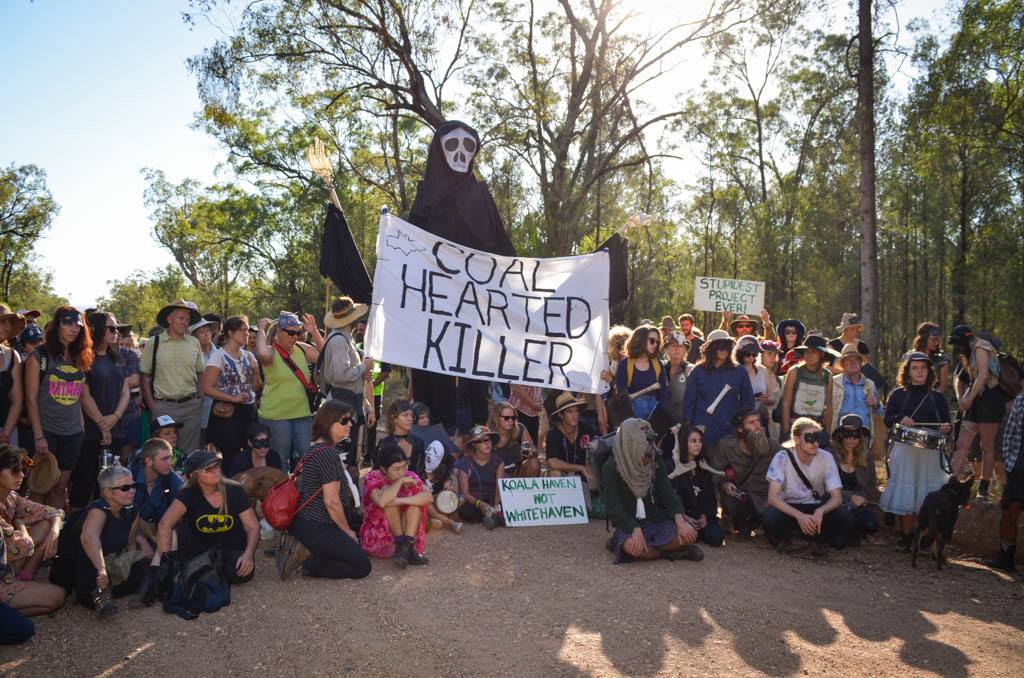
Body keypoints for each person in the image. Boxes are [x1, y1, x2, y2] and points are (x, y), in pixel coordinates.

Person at [25, 307, 107, 510]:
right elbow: (30, 398)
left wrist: (91, 426)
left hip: (72, 433)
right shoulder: (40, 356)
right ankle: (33, 536)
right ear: (57, 325)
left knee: (60, 488)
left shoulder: (81, 356)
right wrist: (38, 436)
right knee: (39, 487)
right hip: (46, 432)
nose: (74, 328)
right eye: (68, 323)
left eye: (78, 325)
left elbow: (83, 395)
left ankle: (57, 538)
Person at [277, 400, 370, 580]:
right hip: (317, 525)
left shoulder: (317, 448)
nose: (350, 424)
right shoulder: (327, 454)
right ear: (329, 422)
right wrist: (347, 531)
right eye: (344, 421)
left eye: (350, 420)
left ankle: (316, 551)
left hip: (306, 521)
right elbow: (332, 501)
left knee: (362, 528)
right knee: (362, 566)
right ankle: (310, 562)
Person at [602, 418, 702, 563]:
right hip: (629, 523)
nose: (647, 456)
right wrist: (634, 529)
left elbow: (668, 493)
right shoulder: (611, 467)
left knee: (690, 535)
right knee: (632, 547)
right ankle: (671, 552)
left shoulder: (654, 459)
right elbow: (613, 507)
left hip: (655, 519)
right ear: (630, 445)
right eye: (642, 450)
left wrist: (680, 521)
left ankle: (656, 551)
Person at [878, 352, 951, 550]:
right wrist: (901, 417)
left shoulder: (938, 397)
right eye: (915, 368)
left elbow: (946, 424)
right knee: (905, 490)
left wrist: (945, 427)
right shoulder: (898, 394)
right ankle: (906, 536)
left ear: (929, 371)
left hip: (930, 452)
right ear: (907, 371)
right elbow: (887, 419)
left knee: (928, 494)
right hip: (905, 449)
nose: (919, 372)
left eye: (923, 368)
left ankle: (925, 538)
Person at [156, 450, 259, 585]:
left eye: (216, 466)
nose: (215, 471)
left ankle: (202, 575)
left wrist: (248, 554)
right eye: (208, 469)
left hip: (230, 549)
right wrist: (167, 561)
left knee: (241, 572)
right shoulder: (187, 493)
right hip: (199, 552)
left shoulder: (235, 490)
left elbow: (253, 527)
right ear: (194, 475)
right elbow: (165, 524)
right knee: (195, 573)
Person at [66, 465, 151, 615]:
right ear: (107, 491)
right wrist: (101, 569)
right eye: (125, 488)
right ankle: (98, 594)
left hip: (110, 564)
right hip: (87, 566)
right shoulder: (98, 511)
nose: (132, 490)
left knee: (149, 566)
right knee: (90, 559)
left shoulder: (132, 510)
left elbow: (129, 545)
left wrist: (132, 562)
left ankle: (107, 590)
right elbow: (88, 538)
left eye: (133, 486)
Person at [762, 418, 855, 551]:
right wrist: (799, 515)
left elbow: (837, 497)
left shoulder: (826, 457)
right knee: (770, 518)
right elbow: (772, 498)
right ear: (796, 439)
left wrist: (820, 511)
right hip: (789, 507)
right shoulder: (782, 457)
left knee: (845, 517)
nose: (815, 443)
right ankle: (789, 538)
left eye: (818, 438)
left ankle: (818, 540)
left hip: (815, 506)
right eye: (810, 438)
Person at [70, 312, 131, 511]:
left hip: (116, 427)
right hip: (90, 429)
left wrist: (115, 417)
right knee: (85, 480)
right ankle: (75, 527)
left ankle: (107, 523)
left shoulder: (117, 357)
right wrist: (102, 425)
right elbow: (84, 395)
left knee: (111, 482)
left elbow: (125, 390)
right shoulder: (85, 358)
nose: (116, 332)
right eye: (111, 328)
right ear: (97, 330)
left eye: (117, 328)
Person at [0, 445, 65, 617]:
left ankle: (23, 578)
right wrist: (21, 524)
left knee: (46, 524)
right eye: (15, 471)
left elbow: (53, 512)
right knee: (57, 597)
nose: (21, 476)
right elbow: (24, 546)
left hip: (8, 567)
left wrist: (54, 533)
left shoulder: (11, 498)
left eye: (23, 471)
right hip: (2, 575)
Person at [255, 312, 323, 471]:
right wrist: (261, 328)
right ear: (278, 331)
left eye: (298, 332)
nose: (295, 336)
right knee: (281, 460)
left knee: (308, 457)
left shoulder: (301, 348)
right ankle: (282, 493)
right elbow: (262, 353)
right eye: (290, 332)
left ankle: (305, 491)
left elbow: (325, 355)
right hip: (276, 416)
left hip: (301, 414)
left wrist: (313, 331)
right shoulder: (271, 351)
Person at [139, 300, 206, 457]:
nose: (185, 323)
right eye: (181, 318)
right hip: (163, 406)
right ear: (170, 319)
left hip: (191, 407)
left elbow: (200, 372)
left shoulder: (194, 342)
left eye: (187, 320)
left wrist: (199, 397)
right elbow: (144, 375)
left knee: (191, 454)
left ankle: (187, 481)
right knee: (163, 453)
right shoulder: (153, 343)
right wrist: (152, 404)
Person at [948, 325, 1004, 499]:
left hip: (990, 399)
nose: (957, 347)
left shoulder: (980, 347)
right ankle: (950, 483)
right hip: (976, 400)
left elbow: (983, 376)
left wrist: (969, 398)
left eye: (958, 343)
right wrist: (965, 398)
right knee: (962, 443)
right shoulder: (969, 352)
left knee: (986, 446)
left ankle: (984, 486)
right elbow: (967, 379)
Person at [202, 315, 261, 472]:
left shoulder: (249, 356)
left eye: (247, 330)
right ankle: (229, 489)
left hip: (248, 411)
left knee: (250, 452)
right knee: (229, 456)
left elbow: (256, 387)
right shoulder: (218, 356)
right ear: (230, 333)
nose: (246, 334)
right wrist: (232, 398)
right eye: (242, 330)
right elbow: (206, 388)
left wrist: (255, 372)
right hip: (227, 413)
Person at [361, 441, 432, 568]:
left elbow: (428, 497)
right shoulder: (372, 477)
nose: (401, 472)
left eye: (404, 466)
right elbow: (381, 502)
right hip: (381, 536)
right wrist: (399, 482)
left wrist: (401, 501)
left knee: (414, 504)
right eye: (396, 469)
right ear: (383, 468)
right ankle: (404, 548)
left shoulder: (410, 475)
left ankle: (405, 547)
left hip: (406, 530)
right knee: (388, 500)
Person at [319, 296, 373, 463]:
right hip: (342, 404)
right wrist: (363, 367)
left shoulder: (343, 339)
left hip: (347, 402)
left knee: (348, 455)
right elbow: (340, 375)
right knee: (342, 457)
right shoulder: (339, 342)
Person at [681, 329, 754, 448]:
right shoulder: (698, 372)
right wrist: (689, 429)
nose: (723, 350)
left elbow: (748, 402)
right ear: (710, 348)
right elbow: (689, 402)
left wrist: (745, 427)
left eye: (727, 346)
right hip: (703, 431)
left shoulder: (740, 371)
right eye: (719, 346)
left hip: (730, 431)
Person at [708, 409, 773, 538]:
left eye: (758, 421)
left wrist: (776, 497)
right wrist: (724, 484)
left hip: (763, 498)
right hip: (739, 497)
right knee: (729, 502)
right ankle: (740, 525)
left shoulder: (773, 446)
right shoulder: (726, 446)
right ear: (740, 429)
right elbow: (715, 473)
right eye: (751, 422)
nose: (757, 426)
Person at [669, 426, 723, 547]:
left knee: (716, 537)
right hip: (681, 516)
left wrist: (705, 515)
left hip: (699, 515)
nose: (698, 445)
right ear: (684, 443)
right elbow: (669, 497)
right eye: (693, 441)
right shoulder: (672, 467)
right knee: (685, 537)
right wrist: (683, 516)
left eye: (700, 441)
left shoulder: (703, 466)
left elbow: (710, 497)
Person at [829, 415, 879, 543]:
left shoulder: (866, 456)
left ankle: (852, 530)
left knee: (870, 524)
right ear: (840, 435)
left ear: (861, 436)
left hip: (858, 506)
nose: (852, 438)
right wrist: (850, 497)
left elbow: (872, 484)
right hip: (833, 503)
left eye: (856, 434)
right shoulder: (830, 455)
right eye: (847, 433)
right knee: (838, 539)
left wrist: (863, 498)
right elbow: (823, 486)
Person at [989, 392, 1024, 571]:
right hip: (1019, 467)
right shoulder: (1021, 400)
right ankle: (1005, 557)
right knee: (1011, 511)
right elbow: (1010, 431)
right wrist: (1008, 460)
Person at [779, 334, 836, 444]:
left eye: (813, 352)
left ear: (822, 354)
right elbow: (785, 403)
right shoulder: (794, 371)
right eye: (806, 351)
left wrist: (827, 433)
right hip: (795, 426)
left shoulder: (827, 375)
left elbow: (829, 407)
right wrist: (787, 431)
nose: (808, 355)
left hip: (817, 428)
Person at [829, 343, 883, 445]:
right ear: (842, 364)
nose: (853, 363)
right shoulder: (834, 383)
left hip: (863, 436)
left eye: (856, 360)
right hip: (840, 435)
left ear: (860, 363)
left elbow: (879, 412)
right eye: (848, 360)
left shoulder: (870, 385)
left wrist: (876, 404)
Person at [455, 425, 506, 528]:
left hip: (492, 499)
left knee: (507, 508)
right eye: (482, 441)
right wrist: (480, 504)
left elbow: (499, 487)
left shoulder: (498, 461)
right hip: (475, 501)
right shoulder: (465, 462)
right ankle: (494, 519)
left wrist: (496, 506)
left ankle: (493, 517)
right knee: (467, 512)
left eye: (488, 440)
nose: (487, 443)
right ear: (474, 444)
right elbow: (465, 493)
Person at [615, 325, 669, 420]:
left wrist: (660, 416)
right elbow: (621, 395)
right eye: (652, 341)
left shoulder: (658, 365)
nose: (655, 344)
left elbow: (663, 394)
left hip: (654, 416)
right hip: (632, 417)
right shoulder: (624, 365)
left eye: (657, 342)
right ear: (640, 340)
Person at [133, 438, 184, 531]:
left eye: (170, 457)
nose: (170, 463)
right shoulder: (130, 478)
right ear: (148, 461)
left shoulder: (172, 478)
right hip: (133, 532)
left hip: (162, 530)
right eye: (164, 459)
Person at [544, 392, 598, 480]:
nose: (574, 415)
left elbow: (599, 443)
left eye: (576, 411)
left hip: (586, 475)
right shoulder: (553, 434)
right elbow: (552, 462)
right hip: (564, 476)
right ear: (561, 415)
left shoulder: (586, 428)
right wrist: (580, 467)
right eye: (569, 412)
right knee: (555, 472)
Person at [735, 335, 777, 432]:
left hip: (760, 418)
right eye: (747, 354)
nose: (751, 357)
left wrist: (766, 399)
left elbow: (772, 399)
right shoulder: (734, 371)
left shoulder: (763, 370)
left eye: (754, 354)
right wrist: (749, 398)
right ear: (740, 353)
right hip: (740, 418)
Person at [378, 400, 427, 479]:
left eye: (411, 415)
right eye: (405, 415)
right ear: (394, 418)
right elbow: (377, 475)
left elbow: (421, 473)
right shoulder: (384, 444)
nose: (410, 419)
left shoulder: (418, 442)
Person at [488, 401, 537, 477]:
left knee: (534, 463)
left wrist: (529, 452)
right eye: (506, 418)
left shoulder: (520, 428)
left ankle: (526, 487)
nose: (510, 421)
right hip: (496, 473)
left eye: (513, 417)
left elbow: (534, 451)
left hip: (517, 471)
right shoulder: (488, 434)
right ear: (496, 418)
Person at [190, 317, 218, 446]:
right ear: (195, 335)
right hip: (198, 407)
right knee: (198, 443)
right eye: (202, 331)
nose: (206, 334)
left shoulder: (220, 353)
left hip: (218, 407)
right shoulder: (191, 355)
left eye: (208, 330)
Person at [0, 306, 25, 448]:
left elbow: (17, 399)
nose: (8, 326)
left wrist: (6, 433)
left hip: (8, 432)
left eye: (10, 322)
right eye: (3, 321)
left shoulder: (12, 356)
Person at [662, 331, 692, 425]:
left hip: (682, 419)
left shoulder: (690, 369)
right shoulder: (660, 367)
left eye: (680, 346)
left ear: (685, 350)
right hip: (662, 418)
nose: (677, 349)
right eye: (673, 346)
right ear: (666, 348)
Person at [913, 322, 950, 394]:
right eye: (933, 340)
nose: (936, 343)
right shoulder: (910, 356)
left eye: (938, 340)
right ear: (923, 339)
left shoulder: (942, 358)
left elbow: (943, 387)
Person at [600, 325, 632, 393]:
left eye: (611, 344)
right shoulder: (616, 361)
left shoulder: (631, 363)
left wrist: (610, 379)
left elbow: (625, 391)